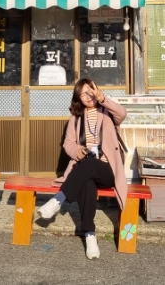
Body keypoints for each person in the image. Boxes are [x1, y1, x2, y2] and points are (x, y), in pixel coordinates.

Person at [35, 78, 128, 260]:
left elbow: (123, 114)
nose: (88, 96)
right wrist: (78, 151)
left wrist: (103, 99)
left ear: (97, 91)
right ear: (78, 97)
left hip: (108, 170)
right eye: (83, 93)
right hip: (85, 168)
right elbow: (68, 144)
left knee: (91, 164)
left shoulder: (107, 112)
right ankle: (90, 235)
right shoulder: (76, 118)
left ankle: (58, 200)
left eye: (91, 91)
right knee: (87, 183)